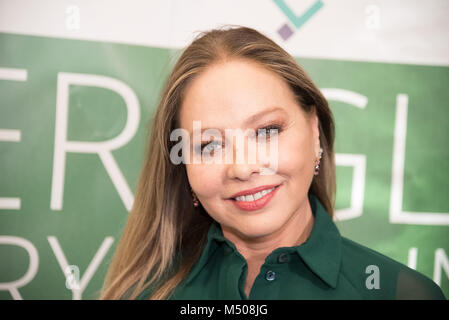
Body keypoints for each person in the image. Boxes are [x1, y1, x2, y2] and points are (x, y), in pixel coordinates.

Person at [99, 25, 446, 300]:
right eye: (209, 145)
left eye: (266, 131)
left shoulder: (399, 294)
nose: (242, 167)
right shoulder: (140, 294)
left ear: (314, 131)